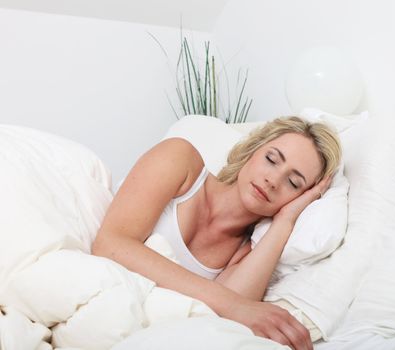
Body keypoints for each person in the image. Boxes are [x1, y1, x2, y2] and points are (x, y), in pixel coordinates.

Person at [92, 116, 341, 350]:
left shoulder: (244, 255)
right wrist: (232, 304)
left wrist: (285, 221)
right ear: (254, 149)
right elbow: (110, 244)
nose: (273, 180)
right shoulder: (181, 162)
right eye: (272, 159)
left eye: (293, 183)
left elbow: (225, 325)